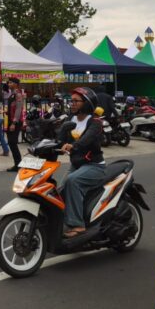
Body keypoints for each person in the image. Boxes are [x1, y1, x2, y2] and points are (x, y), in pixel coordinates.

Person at [57, 88, 106, 237]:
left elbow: (87, 139)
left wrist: (73, 146)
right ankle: (61, 221)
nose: (72, 103)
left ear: (87, 103)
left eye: (75, 101)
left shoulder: (95, 122)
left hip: (95, 166)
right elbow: (59, 137)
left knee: (72, 181)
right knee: (59, 191)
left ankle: (77, 225)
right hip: (77, 165)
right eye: (70, 101)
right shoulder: (70, 119)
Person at [4, 77, 25, 172]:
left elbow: (18, 109)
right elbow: (12, 108)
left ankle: (18, 164)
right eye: (8, 83)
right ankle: (17, 164)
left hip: (15, 122)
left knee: (12, 142)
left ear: (16, 84)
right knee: (11, 142)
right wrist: (5, 112)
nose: (9, 84)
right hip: (11, 120)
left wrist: (14, 123)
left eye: (11, 83)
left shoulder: (18, 94)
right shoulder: (12, 94)